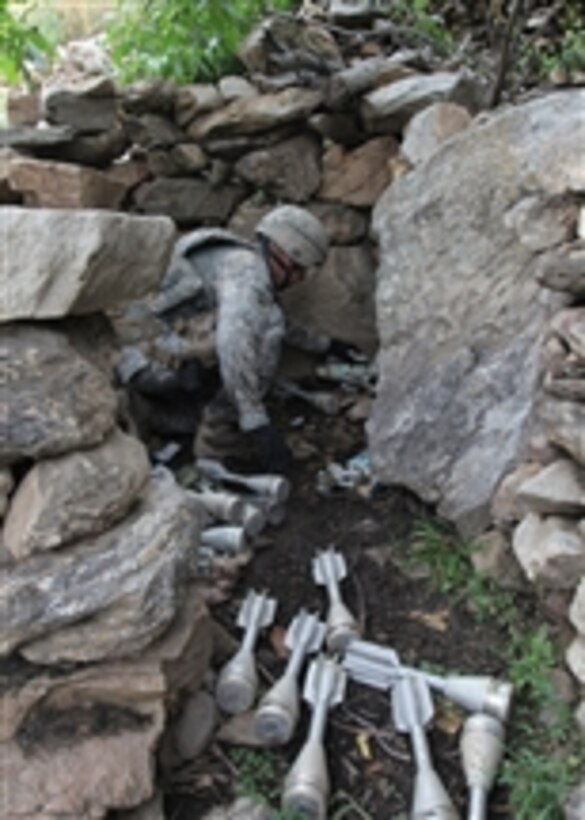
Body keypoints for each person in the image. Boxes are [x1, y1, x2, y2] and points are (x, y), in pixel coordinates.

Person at [119, 205, 349, 474]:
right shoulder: (247, 275)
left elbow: (263, 318)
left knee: (202, 409)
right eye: (298, 269)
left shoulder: (240, 260)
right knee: (261, 337)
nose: (299, 279)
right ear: (282, 253)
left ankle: (148, 412)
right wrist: (257, 424)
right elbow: (235, 340)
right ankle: (217, 447)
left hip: (138, 357)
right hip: (151, 360)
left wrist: (326, 345)